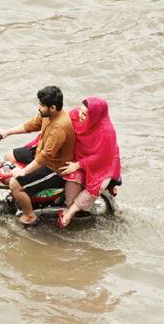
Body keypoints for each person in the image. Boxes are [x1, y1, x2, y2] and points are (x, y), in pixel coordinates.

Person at [0, 86, 75, 225]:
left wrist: (23, 172)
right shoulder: (48, 115)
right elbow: (31, 125)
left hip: (54, 168)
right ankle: (25, 195)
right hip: (41, 154)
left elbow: (45, 156)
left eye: (42, 105)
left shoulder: (60, 127)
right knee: (9, 156)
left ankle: (29, 215)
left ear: (52, 107)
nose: (39, 107)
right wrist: (7, 132)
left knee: (15, 184)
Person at [56, 96, 121, 229]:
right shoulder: (74, 115)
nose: (79, 115)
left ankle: (70, 212)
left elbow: (101, 157)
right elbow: (62, 126)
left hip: (104, 162)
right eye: (80, 110)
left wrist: (77, 165)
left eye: (85, 114)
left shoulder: (107, 132)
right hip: (80, 153)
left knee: (97, 187)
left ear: (95, 116)